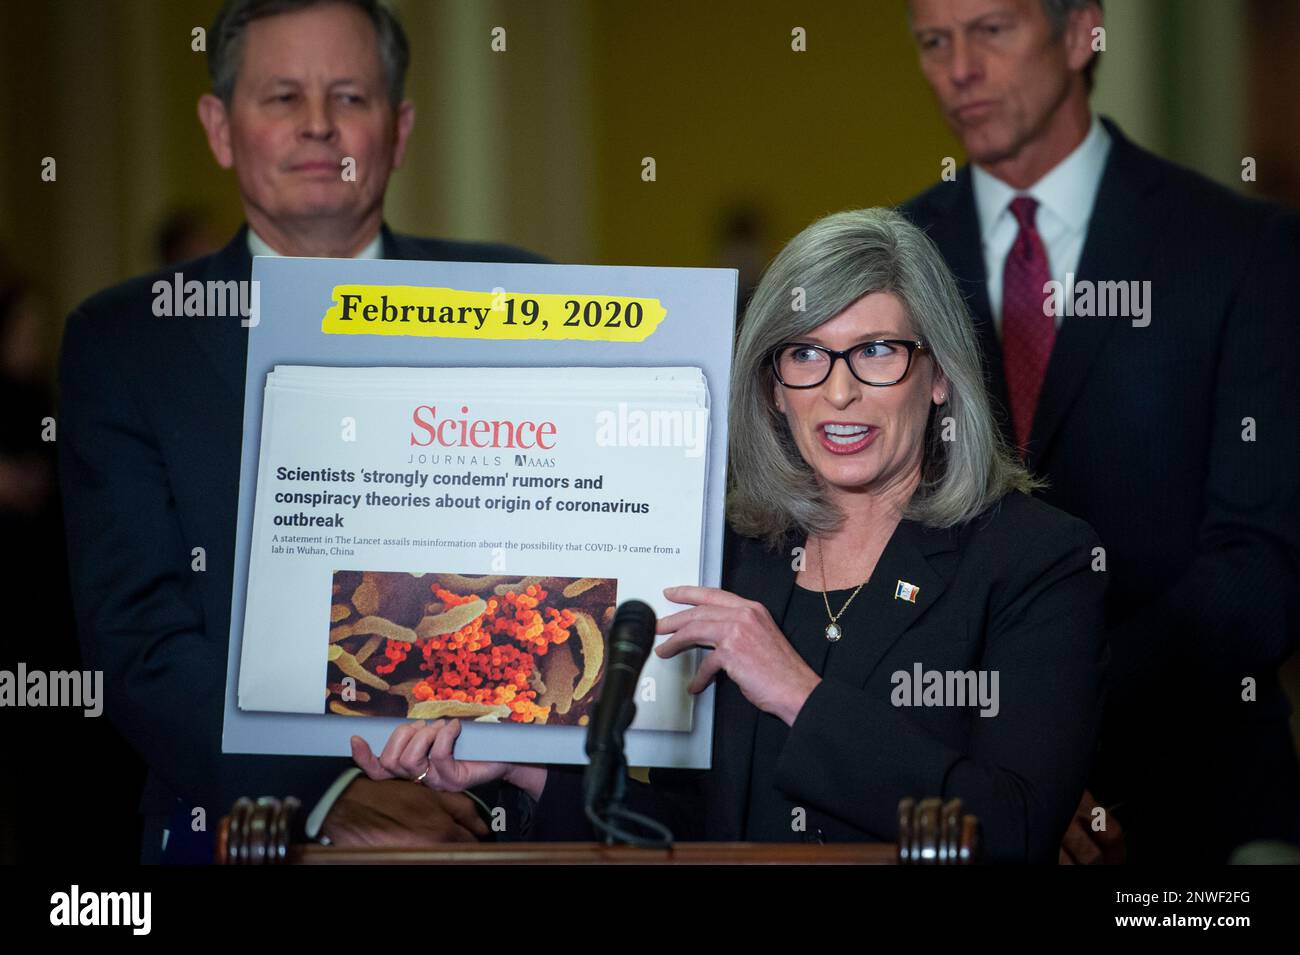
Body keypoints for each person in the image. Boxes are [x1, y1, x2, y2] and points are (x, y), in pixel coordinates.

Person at [350, 207, 1107, 864]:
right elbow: (696, 836)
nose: (838, 390)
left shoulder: (1036, 560)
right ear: (774, 387)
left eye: (877, 351)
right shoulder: (733, 558)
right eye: (806, 354)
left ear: (938, 373)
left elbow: (1015, 830)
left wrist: (800, 695)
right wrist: (529, 769)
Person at [57, 0, 545, 864]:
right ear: (219, 127)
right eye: (282, 96)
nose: (319, 126)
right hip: (240, 826)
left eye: (349, 96)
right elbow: (139, 637)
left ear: (397, 129)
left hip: (506, 813)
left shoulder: (521, 301)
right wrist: (329, 793)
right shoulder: (129, 340)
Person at [900, 0, 1300, 863]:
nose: (958, 68)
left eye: (992, 30)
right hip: (957, 799)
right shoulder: (896, 259)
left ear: (1083, 33)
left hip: (1195, 798)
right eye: (935, 40)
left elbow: (1260, 570)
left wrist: (1041, 715)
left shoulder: (1242, 249)